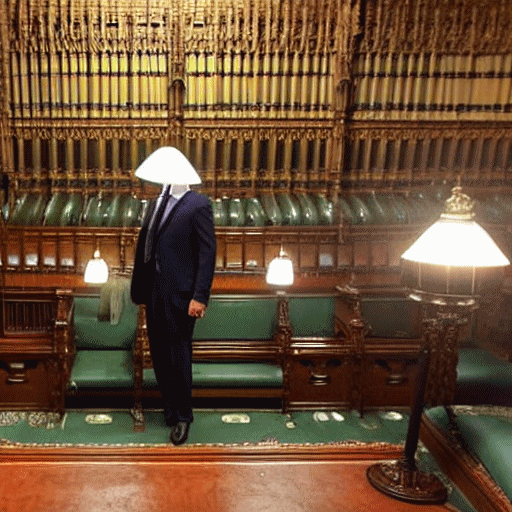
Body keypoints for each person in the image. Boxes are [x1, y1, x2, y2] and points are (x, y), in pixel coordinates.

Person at [130, 147, 216, 445]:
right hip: (154, 291)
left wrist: (200, 297)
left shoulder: (198, 205)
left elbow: (207, 254)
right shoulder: (156, 203)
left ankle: (183, 416)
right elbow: (147, 245)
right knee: (159, 354)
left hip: (181, 296)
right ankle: (169, 407)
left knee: (179, 356)